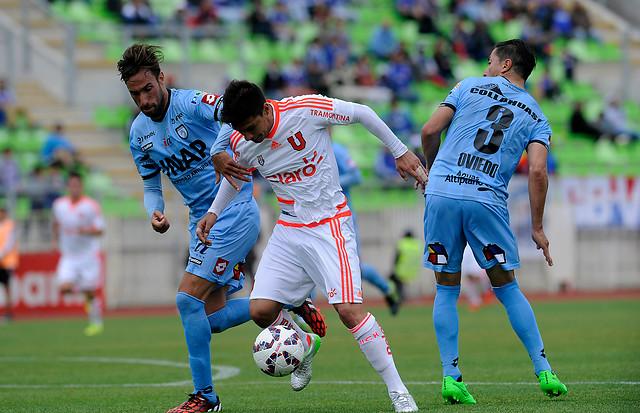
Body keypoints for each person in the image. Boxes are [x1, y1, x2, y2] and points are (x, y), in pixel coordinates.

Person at [117, 44, 325, 413]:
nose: (144, 99)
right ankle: (287, 301)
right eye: (135, 93)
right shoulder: (138, 134)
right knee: (209, 319)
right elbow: (151, 186)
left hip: (236, 208)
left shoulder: (192, 103)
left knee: (186, 300)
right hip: (202, 223)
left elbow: (233, 115)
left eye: (148, 89)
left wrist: (221, 150)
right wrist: (156, 212)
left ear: (161, 78)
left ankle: (205, 397)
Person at [199, 80, 427, 412]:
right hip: (289, 228)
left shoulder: (303, 110)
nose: (249, 137)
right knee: (260, 310)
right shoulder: (243, 140)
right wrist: (213, 212)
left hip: (329, 223)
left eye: (251, 128)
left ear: (265, 110)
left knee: (349, 312)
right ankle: (303, 344)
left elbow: (362, 113)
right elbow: (238, 176)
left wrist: (400, 151)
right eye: (242, 131)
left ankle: (399, 393)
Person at [419, 39, 567, 404]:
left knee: (446, 289)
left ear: (505, 65)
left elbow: (428, 131)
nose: (485, 68)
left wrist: (434, 171)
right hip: (486, 201)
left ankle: (451, 376)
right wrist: (536, 227)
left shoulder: (467, 85)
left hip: (443, 195)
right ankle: (544, 369)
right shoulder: (536, 115)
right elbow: (536, 172)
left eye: (489, 62)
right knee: (507, 289)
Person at [333, 140, 400, 315]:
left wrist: (330, 183)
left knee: (357, 268)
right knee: (310, 266)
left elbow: (356, 176)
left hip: (342, 219)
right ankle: (304, 317)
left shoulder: (336, 149)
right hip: (314, 219)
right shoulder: (306, 149)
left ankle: (387, 289)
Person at [52, 172, 105, 336]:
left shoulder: (91, 205)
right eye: (71, 185)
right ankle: (87, 295)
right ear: (67, 187)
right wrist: (54, 240)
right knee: (63, 288)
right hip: (69, 256)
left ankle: (96, 323)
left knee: (91, 291)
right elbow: (57, 224)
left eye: (77, 185)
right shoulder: (59, 205)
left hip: (89, 256)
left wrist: (88, 231)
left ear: (81, 186)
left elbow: (100, 230)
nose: (74, 188)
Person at [388, 229, 423, 303]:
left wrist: (393, 266)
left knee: (396, 282)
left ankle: (400, 298)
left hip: (402, 270)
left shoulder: (402, 243)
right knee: (409, 284)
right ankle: (414, 299)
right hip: (414, 270)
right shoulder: (417, 244)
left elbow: (396, 257)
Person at [0, 203, 18, 322]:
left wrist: (0, 255)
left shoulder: (10, 225)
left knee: (7, 287)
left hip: (7, 262)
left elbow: (8, 244)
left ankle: (9, 313)